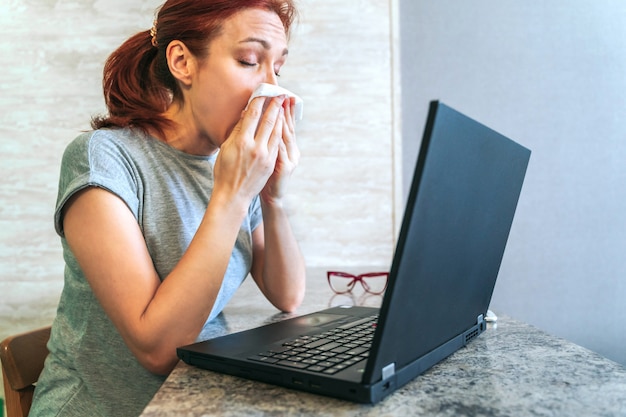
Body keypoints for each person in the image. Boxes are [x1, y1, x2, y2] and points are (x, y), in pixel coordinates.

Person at [29, 0, 305, 415]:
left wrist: (271, 196)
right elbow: (157, 351)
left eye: (277, 69)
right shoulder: (103, 158)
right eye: (249, 61)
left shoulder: (230, 164)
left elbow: (287, 295)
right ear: (182, 62)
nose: (273, 89)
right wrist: (231, 195)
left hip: (197, 403)